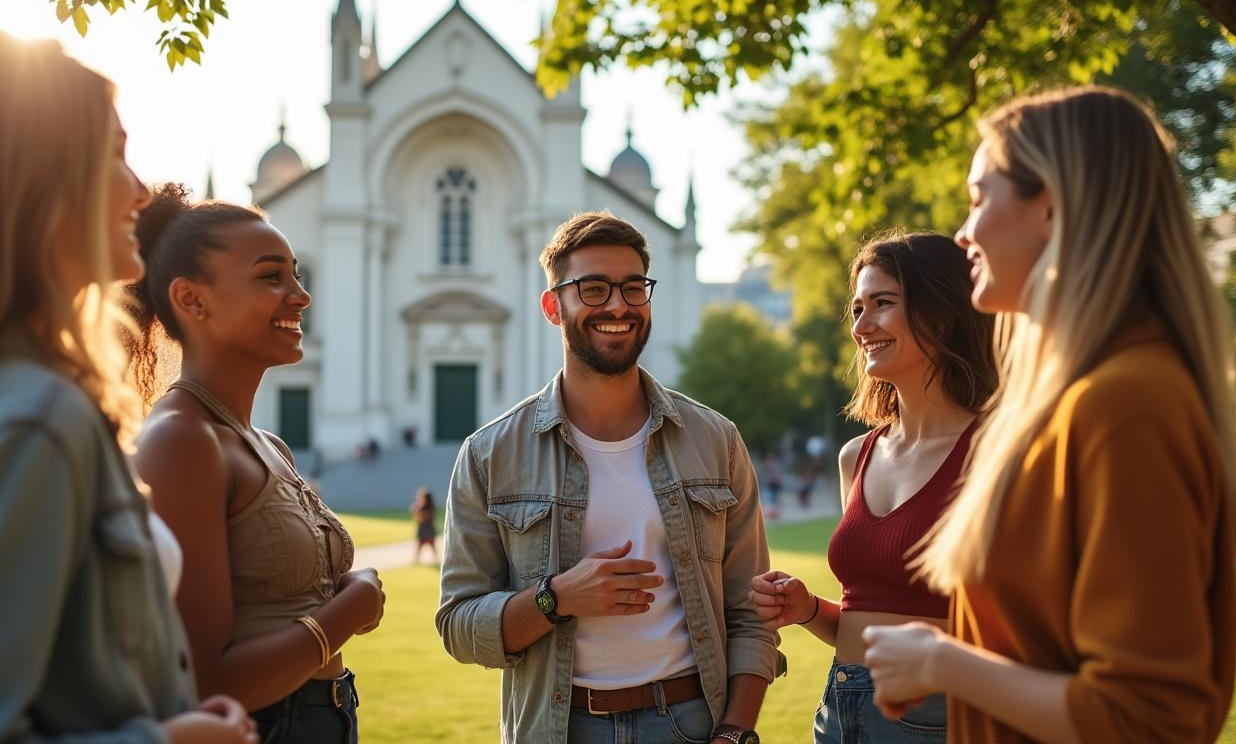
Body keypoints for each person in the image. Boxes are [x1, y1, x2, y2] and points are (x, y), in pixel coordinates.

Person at [862, 86, 1236, 743]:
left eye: (978, 198)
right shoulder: (1083, 398)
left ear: (1049, 204)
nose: (964, 232)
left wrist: (943, 661)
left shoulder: (1124, 405)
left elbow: (1150, 720)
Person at [0, 28, 256, 743]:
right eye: (114, 155)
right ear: (36, 178)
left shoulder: (12, 393)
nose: (141, 190)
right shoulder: (36, 418)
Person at [437, 211, 780, 744]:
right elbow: (459, 626)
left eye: (633, 288)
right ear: (554, 306)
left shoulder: (715, 440)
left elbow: (751, 612)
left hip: (690, 722)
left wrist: (736, 731)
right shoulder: (490, 453)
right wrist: (556, 598)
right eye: (593, 289)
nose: (618, 305)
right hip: (558, 728)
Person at [126, 183, 386, 743]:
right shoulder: (182, 440)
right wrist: (349, 610)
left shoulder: (267, 443)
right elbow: (204, 679)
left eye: (296, 274)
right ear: (192, 300)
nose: (300, 295)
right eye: (272, 277)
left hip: (326, 716)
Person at [749, 232, 996, 743]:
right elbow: (866, 617)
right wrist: (809, 609)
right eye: (857, 308)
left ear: (943, 312)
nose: (862, 327)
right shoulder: (855, 457)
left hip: (941, 717)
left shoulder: (998, 451)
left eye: (882, 303)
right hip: (839, 710)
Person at [412, 486, 439, 564]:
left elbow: (424, 518)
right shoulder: (421, 507)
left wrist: (416, 512)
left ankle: (436, 560)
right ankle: (416, 560)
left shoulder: (429, 508)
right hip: (423, 529)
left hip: (428, 529)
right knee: (420, 546)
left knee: (432, 546)